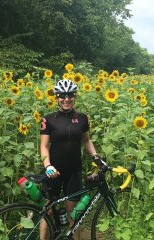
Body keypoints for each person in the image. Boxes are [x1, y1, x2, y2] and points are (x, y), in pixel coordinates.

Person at [39, 79, 100, 240]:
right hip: (53, 170)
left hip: (74, 170)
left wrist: (96, 157)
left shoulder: (82, 118)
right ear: (57, 98)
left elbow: (86, 141)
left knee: (74, 212)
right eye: (62, 96)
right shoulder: (48, 119)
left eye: (70, 95)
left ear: (75, 97)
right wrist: (48, 166)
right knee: (48, 211)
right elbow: (44, 146)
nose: (66, 99)